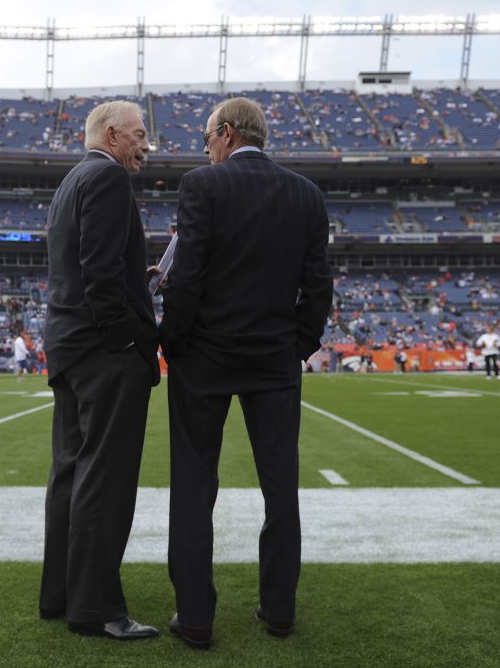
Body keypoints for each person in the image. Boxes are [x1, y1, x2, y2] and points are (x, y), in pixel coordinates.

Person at [159, 97, 333, 649]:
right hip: (274, 362)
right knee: (281, 489)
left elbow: (186, 278)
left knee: (193, 487)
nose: (205, 148)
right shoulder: (306, 195)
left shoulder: (202, 187)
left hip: (205, 359)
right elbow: (319, 287)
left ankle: (195, 619)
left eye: (208, 138)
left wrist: (174, 344)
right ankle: (279, 609)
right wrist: (297, 346)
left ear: (228, 134)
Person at [39, 100, 161, 641]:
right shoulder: (109, 179)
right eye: (138, 135)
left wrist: (141, 280)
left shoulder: (73, 180)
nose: (145, 145)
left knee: (70, 473)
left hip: (69, 347)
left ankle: (61, 595)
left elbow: (93, 265)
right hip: (102, 353)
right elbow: (101, 276)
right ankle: (95, 606)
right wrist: (132, 340)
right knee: (104, 481)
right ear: (111, 135)